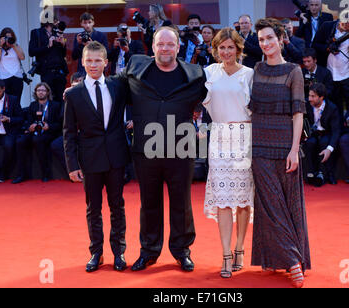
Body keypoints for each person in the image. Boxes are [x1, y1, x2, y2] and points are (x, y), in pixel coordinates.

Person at [116, 27, 207, 272]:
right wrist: (81, 89)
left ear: (178, 48)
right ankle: (149, 252)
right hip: (146, 149)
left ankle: (182, 251)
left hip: (181, 148)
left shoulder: (196, 74)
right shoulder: (135, 68)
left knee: (182, 202)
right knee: (149, 203)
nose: (165, 49)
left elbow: (213, 100)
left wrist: (205, 131)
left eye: (170, 44)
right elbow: (113, 88)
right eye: (160, 44)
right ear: (152, 46)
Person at [250, 18, 310, 288]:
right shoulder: (257, 69)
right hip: (260, 146)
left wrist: (294, 150)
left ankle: (287, 257)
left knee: (289, 206)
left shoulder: (293, 71)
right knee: (270, 205)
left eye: (270, 38)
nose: (266, 44)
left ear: (282, 38)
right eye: (261, 39)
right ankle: (292, 260)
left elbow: (298, 113)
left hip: (285, 146)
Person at [63, 41, 131, 273]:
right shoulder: (73, 95)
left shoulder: (118, 86)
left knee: (117, 206)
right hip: (89, 160)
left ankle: (119, 252)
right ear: (82, 62)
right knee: (93, 208)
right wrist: (72, 165)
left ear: (106, 63)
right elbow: (69, 133)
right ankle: (96, 253)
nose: (93, 65)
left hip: (116, 157)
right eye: (88, 60)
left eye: (97, 60)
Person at [202, 28, 254, 279]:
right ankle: (224, 253)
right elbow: (199, 101)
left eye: (230, 47)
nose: (226, 52)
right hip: (220, 138)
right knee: (223, 198)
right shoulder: (209, 72)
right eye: (221, 47)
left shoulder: (249, 74)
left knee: (243, 199)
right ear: (216, 49)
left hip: (244, 137)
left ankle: (240, 248)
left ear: (238, 49)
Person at [312, 15, 349, 121]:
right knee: (334, 106)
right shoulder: (327, 26)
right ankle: (337, 131)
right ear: (342, 23)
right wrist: (328, 48)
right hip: (330, 74)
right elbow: (315, 44)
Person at [12, 83, 61, 184]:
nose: (41, 92)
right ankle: (21, 174)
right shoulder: (33, 105)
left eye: (43, 90)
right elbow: (29, 121)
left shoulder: (55, 105)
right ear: (36, 93)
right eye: (38, 90)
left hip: (49, 132)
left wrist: (49, 126)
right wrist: (30, 126)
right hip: (34, 132)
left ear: (47, 92)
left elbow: (60, 124)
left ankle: (45, 173)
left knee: (38, 141)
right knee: (20, 141)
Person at [303, 83, 340, 186]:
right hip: (312, 134)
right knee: (309, 143)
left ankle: (324, 174)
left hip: (326, 134)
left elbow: (336, 131)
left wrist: (330, 149)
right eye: (309, 95)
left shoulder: (332, 108)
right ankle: (309, 173)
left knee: (325, 143)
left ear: (321, 97)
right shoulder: (306, 105)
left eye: (313, 96)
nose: (309, 98)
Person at [50, 73, 84, 176]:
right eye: (76, 83)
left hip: (86, 132)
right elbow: (62, 118)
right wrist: (68, 101)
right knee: (56, 145)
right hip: (72, 133)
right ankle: (71, 170)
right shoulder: (67, 97)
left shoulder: (89, 96)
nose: (78, 85)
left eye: (80, 82)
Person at [29, 18, 68, 103]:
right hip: (46, 71)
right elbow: (31, 52)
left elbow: (63, 54)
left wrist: (63, 44)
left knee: (61, 99)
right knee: (49, 99)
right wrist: (47, 46)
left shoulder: (57, 33)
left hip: (59, 71)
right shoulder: (36, 32)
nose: (57, 22)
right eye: (55, 20)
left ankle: (62, 116)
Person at [0, 28, 26, 103]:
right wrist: (1, 46)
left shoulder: (16, 46)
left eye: (10, 38)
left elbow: (22, 57)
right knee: (4, 102)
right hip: (3, 78)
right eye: (6, 38)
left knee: (16, 101)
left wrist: (14, 46)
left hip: (16, 77)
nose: (8, 40)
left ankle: (16, 115)